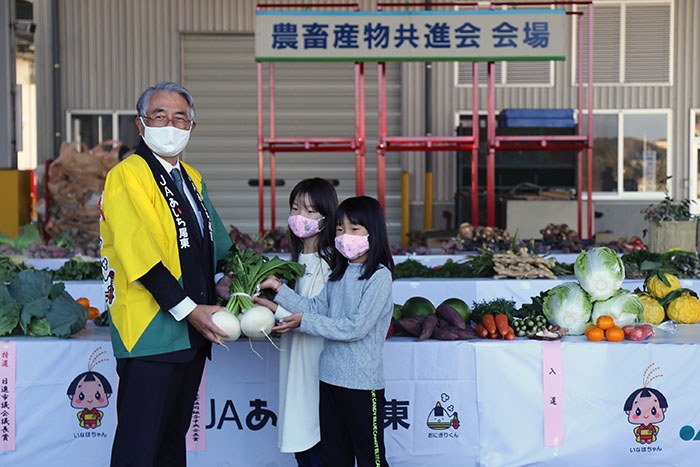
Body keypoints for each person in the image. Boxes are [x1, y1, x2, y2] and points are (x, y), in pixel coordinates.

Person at [100, 82, 232, 467]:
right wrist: (193, 310)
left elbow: (219, 246)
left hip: (189, 337)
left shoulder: (191, 177)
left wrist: (237, 282)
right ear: (141, 126)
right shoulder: (127, 175)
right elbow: (139, 256)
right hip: (149, 336)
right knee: (139, 449)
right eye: (160, 116)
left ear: (192, 126)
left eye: (180, 117)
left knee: (172, 446)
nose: (170, 125)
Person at [255, 196, 394, 467]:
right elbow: (314, 308)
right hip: (329, 380)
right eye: (340, 229)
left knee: (371, 459)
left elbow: (356, 327)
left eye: (355, 229)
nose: (345, 236)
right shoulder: (339, 275)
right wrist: (279, 290)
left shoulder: (379, 276)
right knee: (334, 457)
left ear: (373, 232)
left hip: (362, 386)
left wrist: (303, 321)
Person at [264, 178, 337, 467]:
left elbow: (317, 316)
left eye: (310, 211)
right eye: (295, 209)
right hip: (295, 362)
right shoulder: (292, 263)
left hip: (317, 365)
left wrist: (274, 309)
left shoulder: (331, 262)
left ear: (326, 217)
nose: (299, 218)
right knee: (301, 440)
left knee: (316, 437)